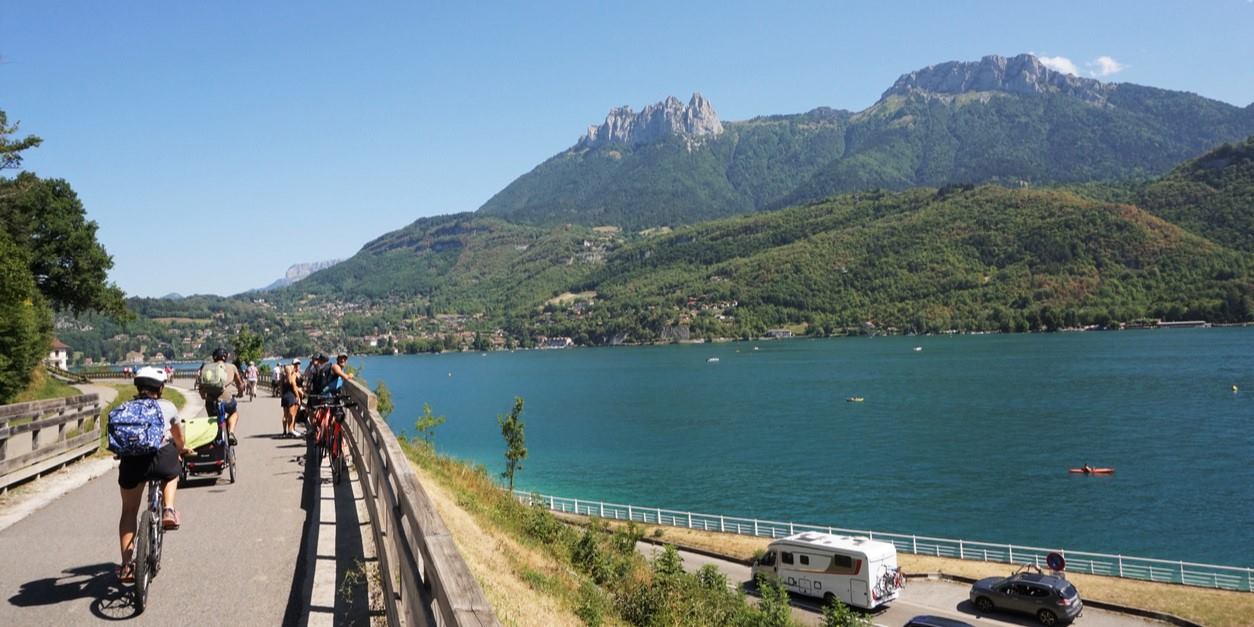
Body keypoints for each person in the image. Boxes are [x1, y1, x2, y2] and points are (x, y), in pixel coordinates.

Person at [115, 366, 189, 583]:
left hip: (132, 464)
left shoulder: (126, 407)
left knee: (129, 511)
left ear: (138, 387)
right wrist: (181, 449)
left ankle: (127, 566)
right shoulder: (168, 407)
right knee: (173, 470)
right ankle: (168, 509)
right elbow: (178, 437)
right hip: (161, 460)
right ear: (161, 388)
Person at [196, 347, 246, 445]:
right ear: (226, 357)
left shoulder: (207, 368)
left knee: (213, 419)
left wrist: (204, 396)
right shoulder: (232, 367)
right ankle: (231, 433)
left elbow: (201, 388)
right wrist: (240, 393)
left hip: (211, 401)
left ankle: (213, 438)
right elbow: (240, 384)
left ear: (214, 358)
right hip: (226, 400)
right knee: (234, 412)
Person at [279, 363, 303, 437]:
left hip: (284, 396)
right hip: (291, 397)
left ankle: (284, 431)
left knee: (285, 415)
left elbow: (281, 387)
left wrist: (282, 395)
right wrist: (298, 396)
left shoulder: (283, 378)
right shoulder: (291, 378)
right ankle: (291, 430)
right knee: (292, 414)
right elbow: (295, 388)